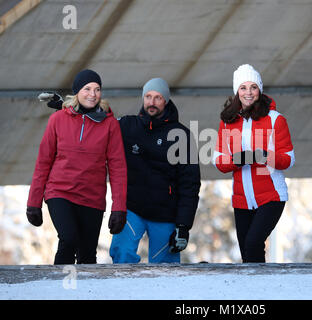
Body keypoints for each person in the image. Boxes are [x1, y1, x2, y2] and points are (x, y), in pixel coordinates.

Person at [27, 69, 128, 265]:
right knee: (69, 239)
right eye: (87, 88)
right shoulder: (57, 120)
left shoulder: (109, 125)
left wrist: (119, 208)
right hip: (60, 192)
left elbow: (118, 169)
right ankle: (59, 290)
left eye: (97, 89)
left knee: (87, 254)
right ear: (76, 91)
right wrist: (34, 202)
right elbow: (43, 162)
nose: (93, 94)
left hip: (92, 197)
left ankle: (84, 294)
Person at [109, 78, 201, 263]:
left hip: (165, 213)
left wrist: (183, 226)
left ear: (165, 101)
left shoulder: (181, 135)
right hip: (132, 209)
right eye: (148, 97)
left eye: (157, 97)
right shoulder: (127, 126)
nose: (152, 102)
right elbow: (100, 123)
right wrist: (70, 108)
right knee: (122, 253)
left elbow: (190, 183)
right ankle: (125, 291)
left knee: (165, 269)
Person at [213, 64, 295, 263]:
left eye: (253, 87)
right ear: (236, 92)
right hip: (241, 199)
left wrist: (265, 155)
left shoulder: (276, 119)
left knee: (253, 244)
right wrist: (238, 159)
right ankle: (257, 292)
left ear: (260, 90)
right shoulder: (227, 121)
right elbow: (219, 161)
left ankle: (262, 291)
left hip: (272, 196)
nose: (248, 93)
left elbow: (288, 159)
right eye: (243, 88)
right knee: (247, 255)